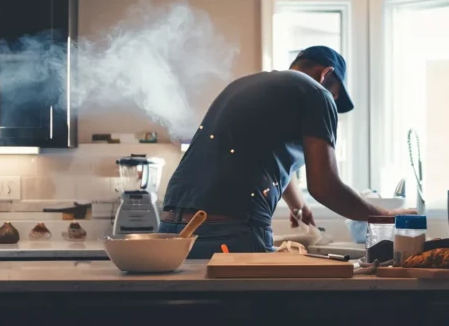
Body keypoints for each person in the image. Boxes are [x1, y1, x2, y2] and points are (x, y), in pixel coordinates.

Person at [159, 46, 412, 258]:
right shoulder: (317, 93)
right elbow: (324, 187)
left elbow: (264, 154)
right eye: (335, 96)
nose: (332, 102)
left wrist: (298, 205)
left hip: (171, 227)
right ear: (326, 74)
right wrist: (384, 216)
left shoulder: (246, 85)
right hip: (229, 229)